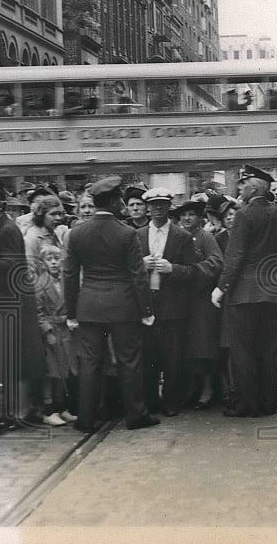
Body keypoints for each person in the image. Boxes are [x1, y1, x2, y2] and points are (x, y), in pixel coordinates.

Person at [64, 176, 158, 432]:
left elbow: (70, 276)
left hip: (89, 306)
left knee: (91, 362)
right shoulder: (127, 233)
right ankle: (136, 415)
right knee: (129, 361)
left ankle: (86, 418)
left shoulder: (76, 233)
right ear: (115, 200)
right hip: (123, 306)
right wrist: (146, 310)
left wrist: (71, 311)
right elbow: (138, 275)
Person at [213, 176, 277, 417]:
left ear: (255, 188)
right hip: (273, 293)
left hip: (245, 294)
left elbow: (235, 256)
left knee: (243, 351)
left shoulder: (244, 215)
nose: (241, 189)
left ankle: (247, 404)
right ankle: (269, 402)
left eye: (244, 186)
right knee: (269, 349)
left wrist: (221, 287)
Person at [0, 186, 46, 425]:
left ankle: (19, 410)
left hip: (12, 303)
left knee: (16, 356)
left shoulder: (8, 229)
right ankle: (10, 409)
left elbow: (11, 265)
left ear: (0, 204)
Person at [134, 188, 201, 418]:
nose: (158, 208)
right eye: (153, 205)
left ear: (169, 206)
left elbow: (194, 270)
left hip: (172, 304)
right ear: (148, 208)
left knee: (173, 358)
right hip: (146, 302)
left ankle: (172, 402)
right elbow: (127, 270)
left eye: (162, 204)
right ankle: (151, 402)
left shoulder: (181, 236)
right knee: (148, 357)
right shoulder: (137, 235)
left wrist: (173, 268)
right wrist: (140, 265)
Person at [176, 198, 224, 410]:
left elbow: (216, 262)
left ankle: (207, 389)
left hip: (201, 300)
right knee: (185, 348)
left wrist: (195, 273)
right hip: (181, 299)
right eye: (184, 215)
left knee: (203, 347)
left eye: (191, 214)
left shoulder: (205, 237)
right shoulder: (177, 236)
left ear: (199, 217)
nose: (187, 218)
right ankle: (190, 388)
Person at [34, 244, 78, 426]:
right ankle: (48, 409)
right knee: (51, 373)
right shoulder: (39, 284)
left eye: (56, 259)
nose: (53, 263)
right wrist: (47, 332)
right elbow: (38, 312)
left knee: (64, 370)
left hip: (66, 330)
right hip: (51, 333)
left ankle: (62, 407)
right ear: (42, 263)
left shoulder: (65, 281)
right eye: (49, 259)